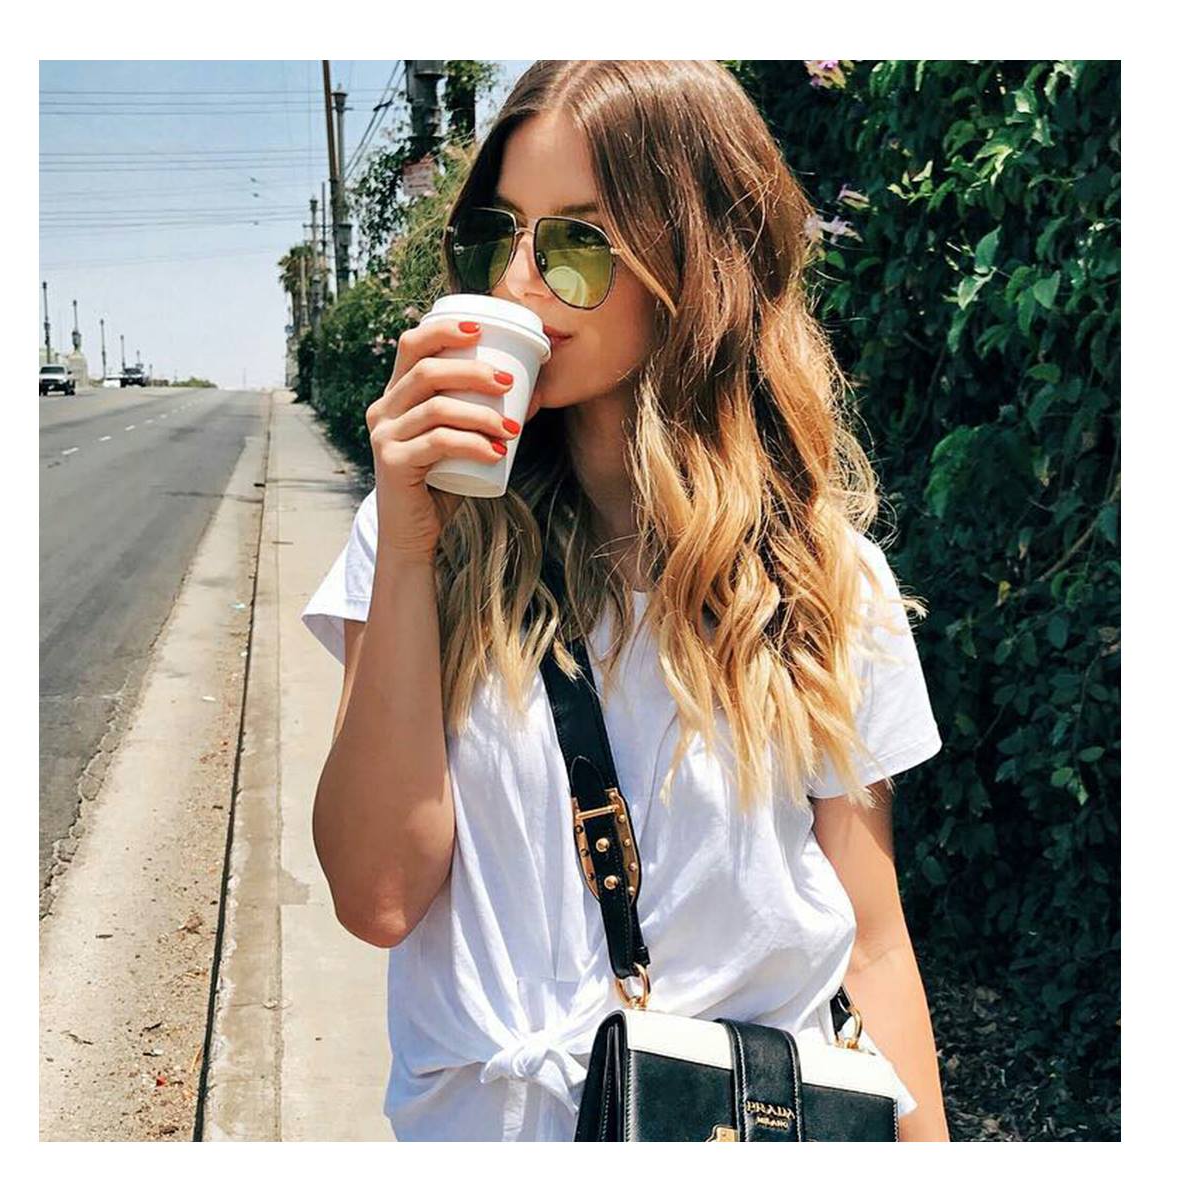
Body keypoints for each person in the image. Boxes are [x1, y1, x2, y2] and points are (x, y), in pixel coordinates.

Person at [301, 60, 949, 1141]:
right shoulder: (423, 542)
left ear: (697, 261)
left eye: (576, 244)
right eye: (496, 237)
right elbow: (377, 896)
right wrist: (410, 549)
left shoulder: (819, 579)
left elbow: (873, 944)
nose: (517, 284)